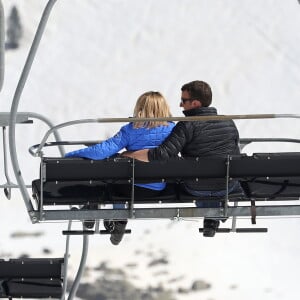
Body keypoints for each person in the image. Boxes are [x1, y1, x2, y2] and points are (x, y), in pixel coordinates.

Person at [124, 80, 241, 237]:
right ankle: (213, 214)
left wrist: (129, 155)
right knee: (213, 175)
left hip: (197, 188)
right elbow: (235, 150)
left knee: (193, 178)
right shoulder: (228, 122)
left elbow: (161, 154)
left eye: (184, 101)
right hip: (229, 186)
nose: (180, 105)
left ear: (195, 103)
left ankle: (212, 211)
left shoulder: (186, 126)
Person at [65, 91, 175, 245]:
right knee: (119, 173)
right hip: (157, 188)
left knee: (108, 165)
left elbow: (100, 152)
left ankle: (92, 209)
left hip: (127, 189)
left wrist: (71, 155)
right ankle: (115, 221)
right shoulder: (173, 130)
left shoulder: (131, 129)